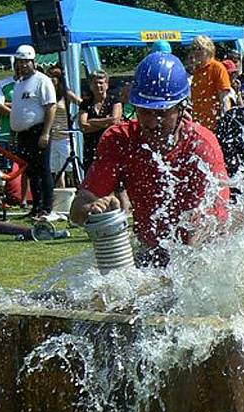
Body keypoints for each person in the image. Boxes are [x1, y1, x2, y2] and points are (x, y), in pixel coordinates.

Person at [70, 52, 230, 266]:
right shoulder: (119, 141)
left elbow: (212, 221)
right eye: (145, 112)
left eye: (162, 113)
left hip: (202, 256)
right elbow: (76, 211)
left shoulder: (201, 146)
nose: (153, 122)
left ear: (182, 109)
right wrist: (92, 209)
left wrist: (184, 267)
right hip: (150, 252)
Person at [10, 44, 57, 219]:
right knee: (31, 172)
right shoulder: (20, 83)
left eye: (26, 62)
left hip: (38, 130)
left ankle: (47, 207)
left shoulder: (42, 80)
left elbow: (50, 107)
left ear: (33, 62)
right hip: (23, 134)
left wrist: (45, 133)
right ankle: (36, 206)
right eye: (20, 62)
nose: (22, 65)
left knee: (43, 170)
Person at [79, 70, 122, 170]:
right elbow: (83, 126)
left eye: (101, 83)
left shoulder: (114, 100)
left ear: (106, 84)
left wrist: (92, 121)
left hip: (111, 148)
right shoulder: (86, 104)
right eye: (95, 83)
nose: (98, 85)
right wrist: (106, 122)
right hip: (91, 149)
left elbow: (115, 121)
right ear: (90, 85)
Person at [189, 35, 232, 131]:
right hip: (198, 124)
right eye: (193, 49)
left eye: (199, 49)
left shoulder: (218, 68)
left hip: (214, 125)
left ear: (208, 50)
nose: (195, 52)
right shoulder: (197, 70)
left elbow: (224, 99)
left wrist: (226, 124)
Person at [47, 67, 82, 187]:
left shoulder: (66, 94)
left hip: (65, 137)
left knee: (70, 168)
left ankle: (75, 189)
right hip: (52, 137)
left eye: (53, 77)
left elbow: (82, 104)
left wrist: (76, 117)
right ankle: (61, 193)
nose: (51, 79)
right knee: (56, 169)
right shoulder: (47, 95)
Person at [0, 67, 16, 145]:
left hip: (30, 136)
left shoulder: (36, 83)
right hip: (6, 135)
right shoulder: (4, 83)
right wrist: (17, 116)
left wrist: (8, 104)